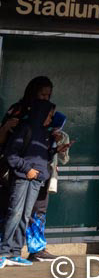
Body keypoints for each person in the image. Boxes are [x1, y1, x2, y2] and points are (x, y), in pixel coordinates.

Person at [0, 76, 58, 267]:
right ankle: (4, 251)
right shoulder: (20, 115)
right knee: (13, 211)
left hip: (38, 174)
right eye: (42, 94)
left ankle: (22, 250)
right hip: (18, 171)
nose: (45, 99)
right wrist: (6, 128)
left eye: (48, 95)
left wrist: (56, 147)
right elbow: (9, 150)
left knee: (29, 213)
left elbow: (44, 151)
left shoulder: (44, 128)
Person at [25, 110, 70, 262]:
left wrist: (60, 144)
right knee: (19, 212)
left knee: (39, 212)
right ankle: (11, 249)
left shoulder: (62, 136)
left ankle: (37, 249)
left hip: (47, 177)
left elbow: (64, 159)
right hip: (30, 175)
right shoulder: (35, 132)